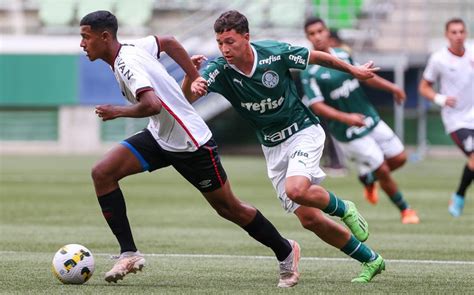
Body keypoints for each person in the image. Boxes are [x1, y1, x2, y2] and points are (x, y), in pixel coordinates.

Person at [79, 10, 302, 288]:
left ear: (104, 37)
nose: (82, 44)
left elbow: (152, 105)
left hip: (191, 143)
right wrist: (192, 75)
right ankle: (129, 253)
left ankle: (285, 250)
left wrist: (118, 111)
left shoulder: (126, 64)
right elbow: (169, 41)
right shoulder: (133, 47)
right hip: (160, 137)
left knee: (230, 208)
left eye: (85, 37)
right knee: (102, 173)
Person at [183, 10, 385, 283]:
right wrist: (189, 77)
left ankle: (343, 207)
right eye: (220, 43)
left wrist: (353, 70)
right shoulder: (219, 69)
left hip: (303, 131)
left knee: (296, 189)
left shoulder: (273, 53)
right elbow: (189, 96)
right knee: (309, 220)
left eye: (230, 41)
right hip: (273, 147)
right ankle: (371, 260)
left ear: (246, 37)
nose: (224, 48)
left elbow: (316, 57)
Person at [300, 17, 420, 225]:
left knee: (399, 158)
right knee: (382, 167)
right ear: (308, 37)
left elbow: (365, 76)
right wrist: (347, 118)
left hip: (368, 116)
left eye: (320, 31)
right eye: (312, 33)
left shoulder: (343, 55)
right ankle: (406, 210)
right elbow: (318, 106)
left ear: (327, 32)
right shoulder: (310, 71)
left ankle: (368, 178)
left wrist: (393, 88)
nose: (317, 36)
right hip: (347, 130)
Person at [419, 18, 473, 217]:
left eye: (461, 32)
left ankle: (458, 195)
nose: (458, 36)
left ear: (466, 34)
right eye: (454, 32)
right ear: (447, 35)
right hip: (456, 120)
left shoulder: (472, 52)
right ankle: (459, 197)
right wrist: (440, 98)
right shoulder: (438, 59)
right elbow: (423, 87)